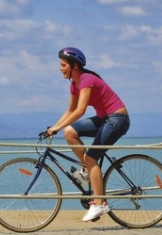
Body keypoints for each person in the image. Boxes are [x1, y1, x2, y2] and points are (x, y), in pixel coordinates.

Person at [46, 47, 130, 222]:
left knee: (92, 158)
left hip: (118, 119)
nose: (60, 68)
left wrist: (56, 128)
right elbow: (70, 110)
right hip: (104, 118)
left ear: (74, 66)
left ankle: (100, 203)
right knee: (69, 132)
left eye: (63, 65)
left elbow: (80, 111)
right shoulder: (74, 85)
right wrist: (56, 127)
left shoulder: (87, 79)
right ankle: (86, 170)